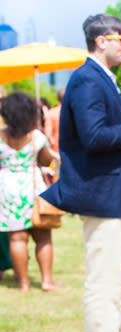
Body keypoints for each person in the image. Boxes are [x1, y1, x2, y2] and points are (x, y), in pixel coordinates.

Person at [41, 13, 121, 332]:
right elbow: (93, 136)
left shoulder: (102, 77)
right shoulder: (87, 79)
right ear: (102, 41)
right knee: (104, 278)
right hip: (101, 194)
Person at [0, 91, 61, 292]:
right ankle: (46, 281)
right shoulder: (35, 136)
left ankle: (24, 283)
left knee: (17, 238)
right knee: (43, 237)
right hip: (32, 187)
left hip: (7, 189)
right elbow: (46, 161)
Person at [44, 88, 64, 155]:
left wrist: (52, 142)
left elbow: (48, 134)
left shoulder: (51, 113)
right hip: (74, 151)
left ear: (57, 99)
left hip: (56, 150)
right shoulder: (74, 112)